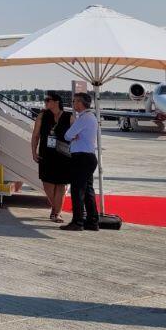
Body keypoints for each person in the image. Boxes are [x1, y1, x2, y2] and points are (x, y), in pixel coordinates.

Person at [30, 91, 72, 222]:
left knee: (61, 185)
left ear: (56, 102)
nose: (45, 102)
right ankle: (55, 207)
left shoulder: (69, 117)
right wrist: (33, 151)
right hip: (46, 154)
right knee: (47, 183)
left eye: (48, 100)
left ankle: (57, 213)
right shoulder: (42, 116)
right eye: (45, 100)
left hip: (63, 155)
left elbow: (76, 136)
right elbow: (35, 135)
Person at [60, 92, 99, 231]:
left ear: (81, 103)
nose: (73, 103)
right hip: (88, 157)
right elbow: (71, 135)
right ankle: (92, 221)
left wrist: (73, 135)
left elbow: (67, 135)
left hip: (82, 158)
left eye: (75, 101)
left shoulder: (83, 118)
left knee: (78, 190)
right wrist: (73, 135)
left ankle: (78, 222)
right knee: (88, 190)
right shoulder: (90, 117)